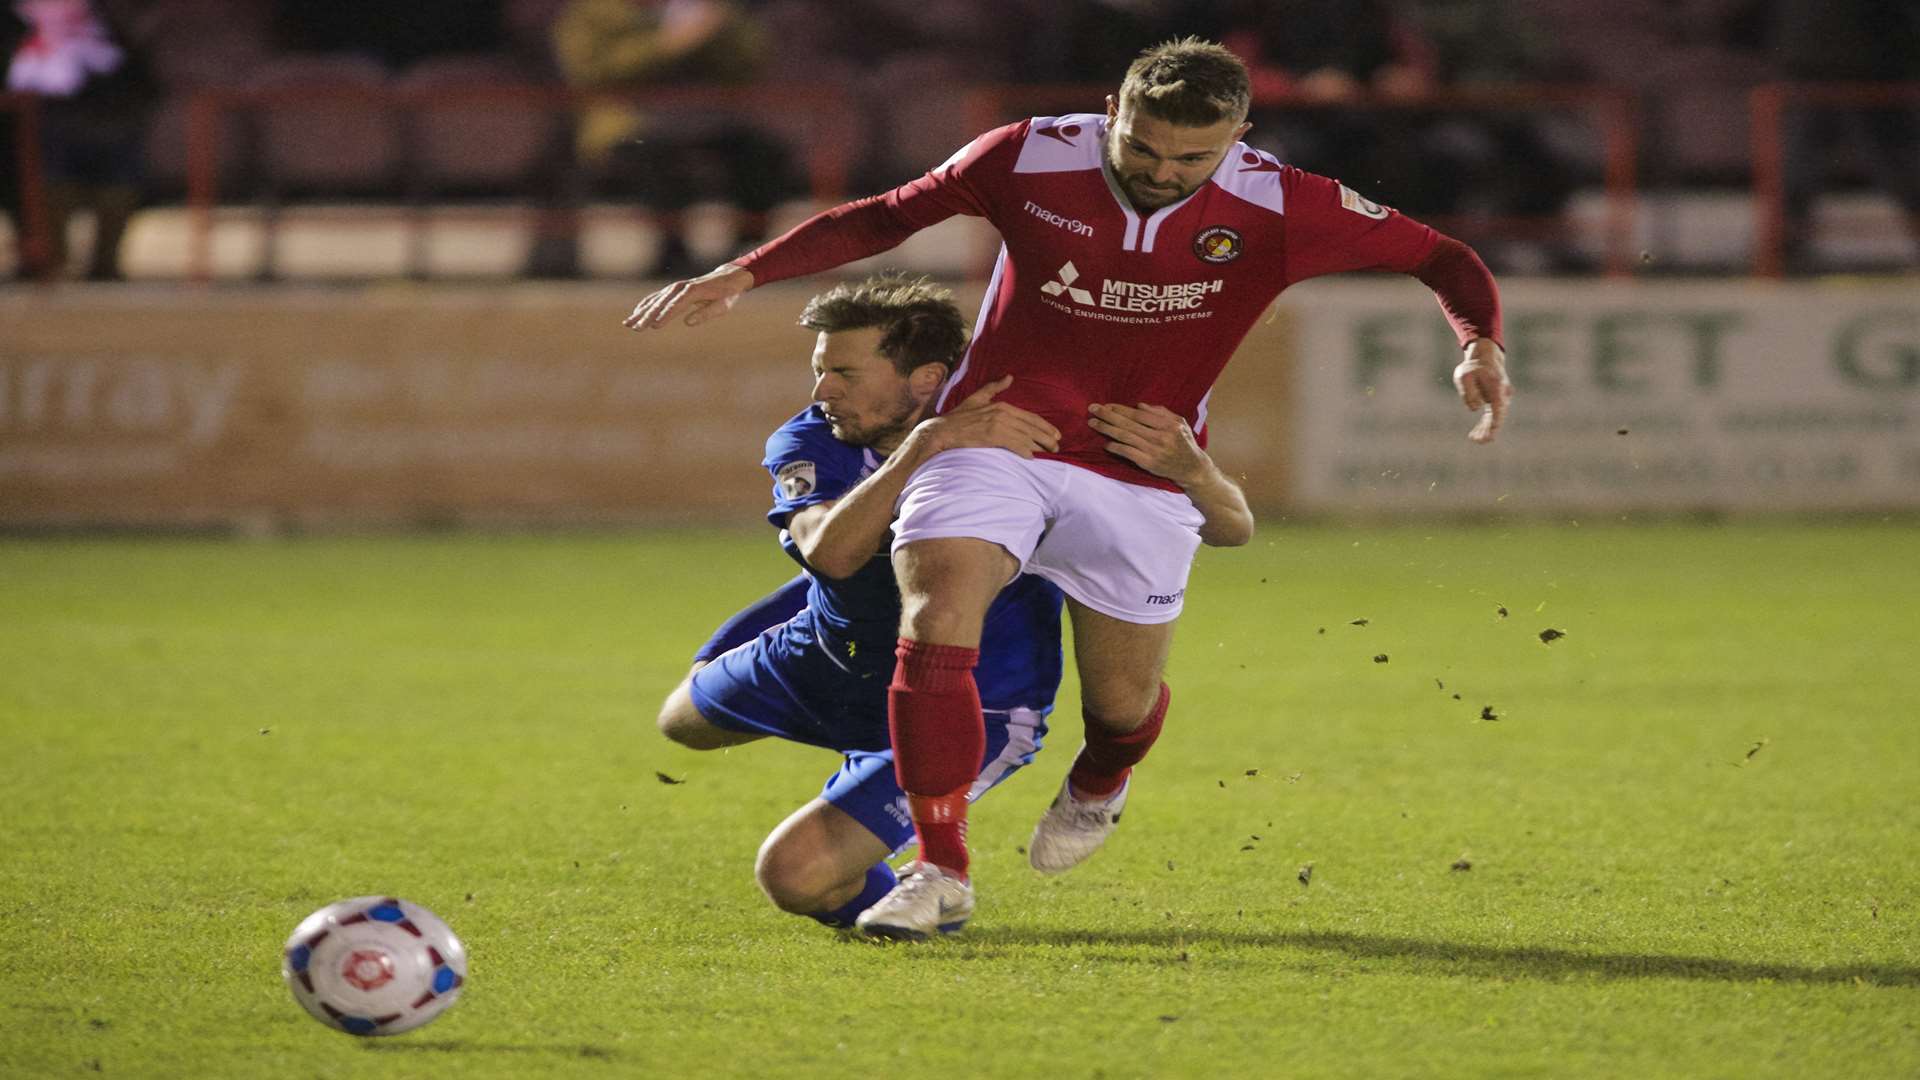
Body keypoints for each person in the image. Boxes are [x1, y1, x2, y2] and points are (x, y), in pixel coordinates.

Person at [626, 38, 1510, 938]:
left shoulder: (1281, 203)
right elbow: (887, 214)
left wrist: (1480, 342)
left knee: (1122, 704)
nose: (1162, 172)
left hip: (1136, 464)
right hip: (1001, 433)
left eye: (1191, 157)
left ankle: (1101, 776)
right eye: (1142, 147)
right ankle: (942, 867)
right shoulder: (1032, 155)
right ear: (1112, 113)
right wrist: (746, 271)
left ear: (1241, 136)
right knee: (939, 602)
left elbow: (1444, 258)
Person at [656, 271, 1254, 938]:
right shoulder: (813, 437)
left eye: (845, 374)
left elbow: (1232, 529)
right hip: (824, 657)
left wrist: (1194, 470)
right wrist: (929, 443)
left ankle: (918, 902)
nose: (822, 391)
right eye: (821, 370)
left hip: (977, 699)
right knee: (681, 723)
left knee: (795, 877)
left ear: (923, 379)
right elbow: (827, 554)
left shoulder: (1039, 433)